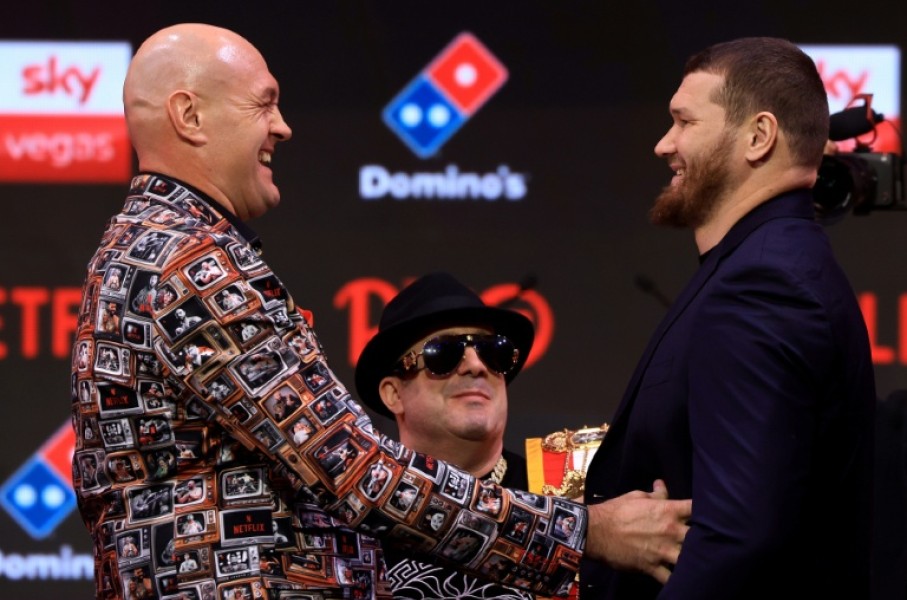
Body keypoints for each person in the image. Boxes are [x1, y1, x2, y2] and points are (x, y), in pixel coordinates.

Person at [70, 23, 688, 600]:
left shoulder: (147, 246)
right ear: (190, 115)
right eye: (264, 103)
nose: (282, 127)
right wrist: (587, 533)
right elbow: (359, 472)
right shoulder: (190, 261)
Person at [579, 37, 876, 599]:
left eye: (684, 122)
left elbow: (737, 537)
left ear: (758, 137)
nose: (664, 144)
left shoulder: (765, 284)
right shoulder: (760, 265)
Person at [354, 271, 541, 598]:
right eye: (443, 353)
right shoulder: (354, 513)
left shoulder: (563, 491)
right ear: (394, 394)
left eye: (492, 351)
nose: (476, 365)